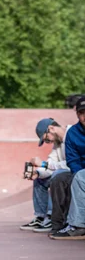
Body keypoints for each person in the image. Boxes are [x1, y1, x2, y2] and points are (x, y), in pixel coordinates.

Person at [19, 118, 70, 233]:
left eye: (46, 139)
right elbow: (50, 163)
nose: (48, 142)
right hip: (64, 172)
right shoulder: (57, 143)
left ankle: (52, 217)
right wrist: (38, 173)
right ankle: (41, 217)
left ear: (51, 128)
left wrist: (43, 164)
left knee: (56, 176)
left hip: (76, 172)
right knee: (40, 180)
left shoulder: (73, 134)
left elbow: (71, 163)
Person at [50, 96, 85, 240]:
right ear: (77, 114)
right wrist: (78, 175)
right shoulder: (72, 133)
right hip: (80, 171)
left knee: (80, 178)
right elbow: (72, 160)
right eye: (82, 112)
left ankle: (78, 226)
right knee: (58, 178)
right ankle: (59, 224)